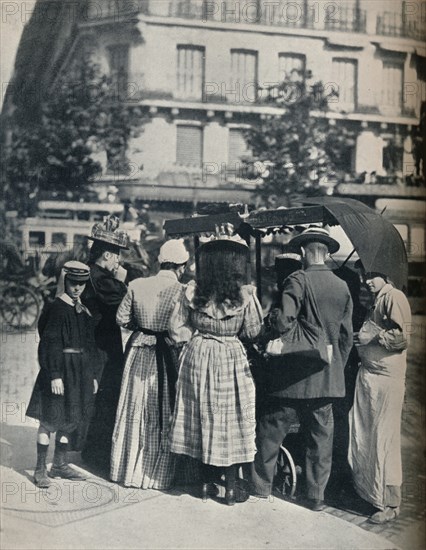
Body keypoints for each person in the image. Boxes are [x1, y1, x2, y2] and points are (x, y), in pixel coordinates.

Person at [251, 227, 353, 511]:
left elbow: (284, 322)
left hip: (292, 378)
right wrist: (334, 368)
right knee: (320, 440)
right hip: (326, 379)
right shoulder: (342, 286)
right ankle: (316, 497)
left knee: (271, 430)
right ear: (326, 253)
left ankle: (261, 486)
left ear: (306, 252)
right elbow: (346, 336)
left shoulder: (297, 279)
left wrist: (271, 321)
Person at [169, 228, 263, 505]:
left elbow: (177, 329)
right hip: (231, 355)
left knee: (199, 415)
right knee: (231, 419)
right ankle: (231, 489)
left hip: (198, 354)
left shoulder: (193, 290)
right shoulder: (245, 294)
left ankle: (204, 485)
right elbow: (253, 331)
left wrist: (193, 341)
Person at [110, 239, 189, 489]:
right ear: (182, 266)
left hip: (137, 350)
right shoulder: (183, 290)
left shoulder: (137, 284)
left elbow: (121, 318)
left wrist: (141, 327)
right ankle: (155, 474)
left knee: (133, 406)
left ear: (160, 261)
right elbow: (183, 329)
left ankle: (125, 469)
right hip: (165, 353)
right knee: (161, 408)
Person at [26, 261, 101, 487]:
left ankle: (59, 464)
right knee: (50, 418)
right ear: (64, 281)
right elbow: (49, 342)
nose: (77, 288)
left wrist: (93, 375)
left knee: (71, 418)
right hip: (59, 371)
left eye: (82, 284)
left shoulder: (83, 310)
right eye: (73, 282)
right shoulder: (57, 308)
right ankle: (41, 469)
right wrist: (55, 373)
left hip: (79, 373)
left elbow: (90, 345)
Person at [348, 270, 411, 524]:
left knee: (385, 439)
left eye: (372, 276)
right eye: (364, 276)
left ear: (386, 276)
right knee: (367, 437)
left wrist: (374, 336)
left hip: (387, 379)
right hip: (371, 376)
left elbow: (403, 337)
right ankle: (370, 495)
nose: (366, 281)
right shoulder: (375, 300)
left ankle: (389, 503)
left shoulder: (394, 297)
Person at [81, 215, 129, 471]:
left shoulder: (89, 272)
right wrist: (123, 280)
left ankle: (90, 450)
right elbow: (125, 303)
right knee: (106, 399)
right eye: (117, 254)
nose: (119, 259)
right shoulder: (101, 279)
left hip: (95, 344)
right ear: (107, 254)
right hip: (102, 348)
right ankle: (97, 455)